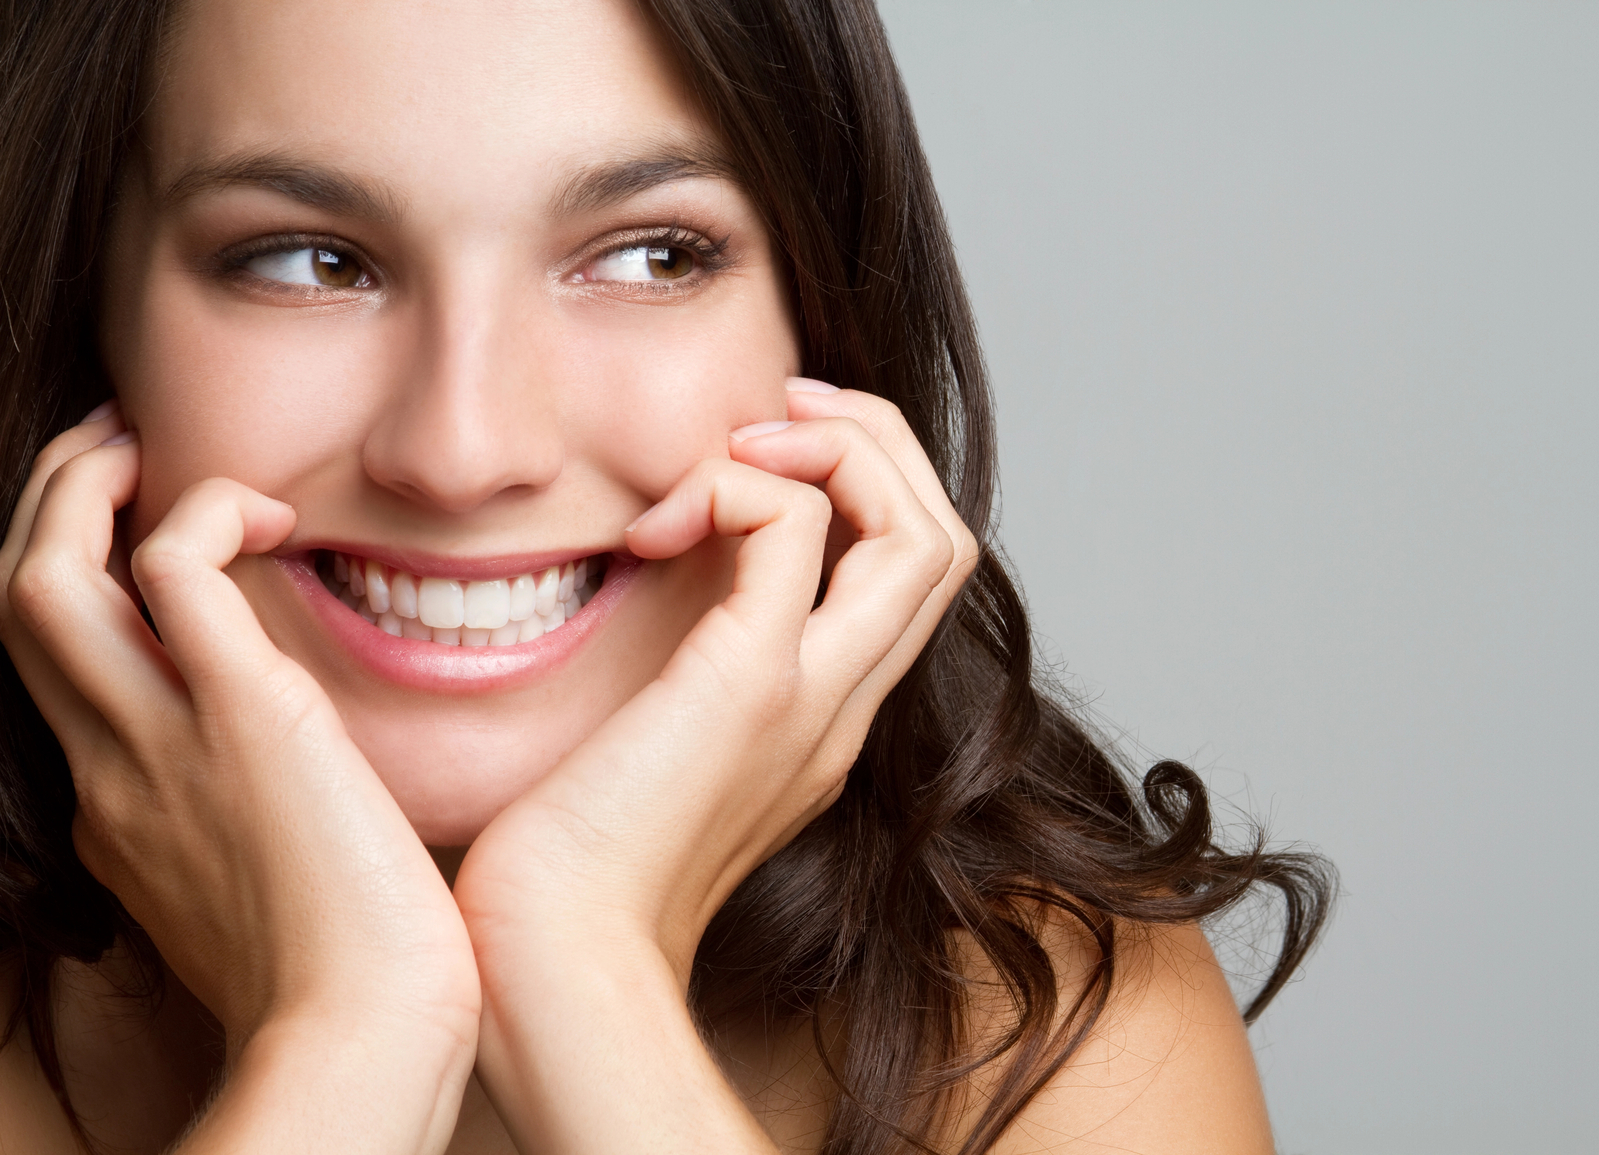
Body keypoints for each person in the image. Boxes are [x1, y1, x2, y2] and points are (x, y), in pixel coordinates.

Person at [0, 0, 1333, 1150]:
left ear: (824, 330)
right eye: (307, 260)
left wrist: (584, 988)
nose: (465, 452)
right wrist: (343, 1038)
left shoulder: (1039, 1023)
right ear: (88, 321)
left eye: (649, 255)